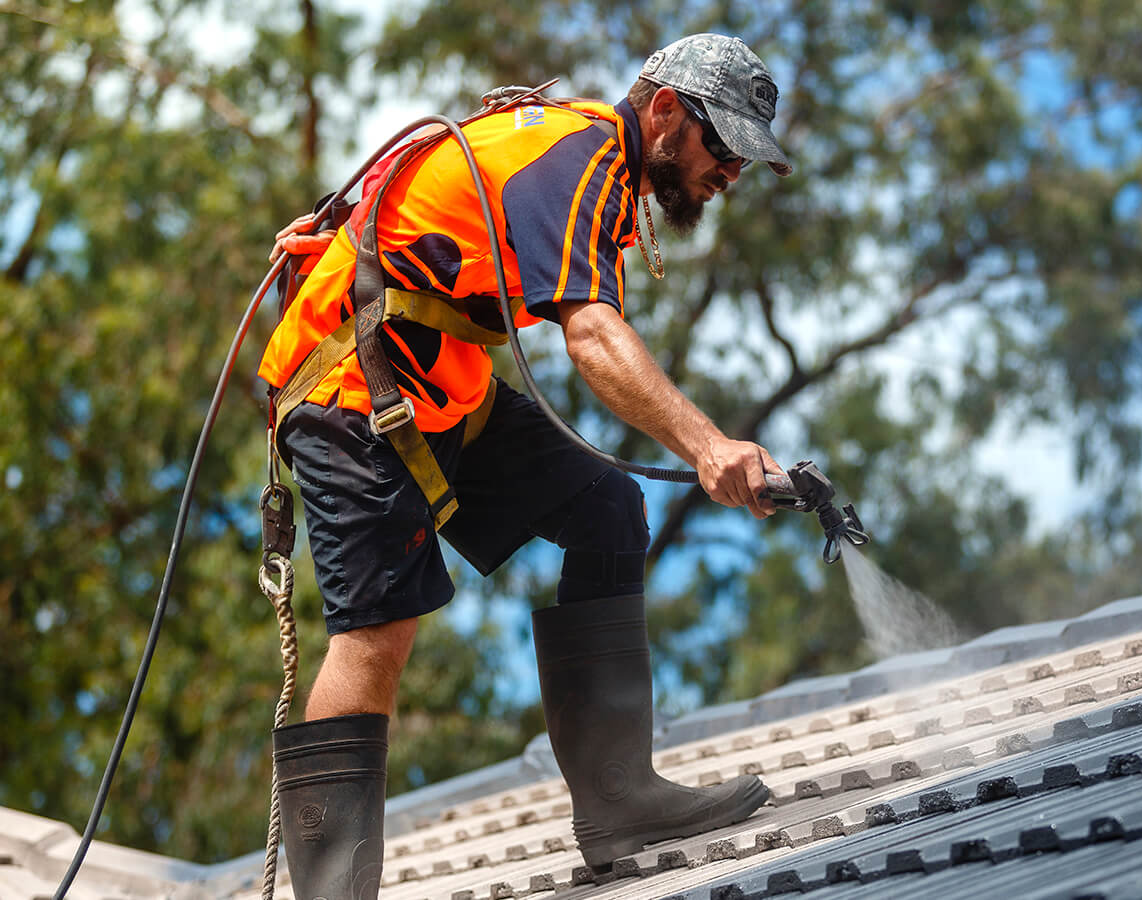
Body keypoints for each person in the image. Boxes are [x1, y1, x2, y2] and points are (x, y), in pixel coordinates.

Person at [257, 34, 793, 899]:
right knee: (377, 628)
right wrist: (709, 447)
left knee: (606, 507)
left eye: (741, 160)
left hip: (439, 389)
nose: (729, 172)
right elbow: (591, 334)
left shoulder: (595, 169)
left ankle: (619, 801)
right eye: (721, 145)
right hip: (350, 389)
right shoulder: (580, 154)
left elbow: (431, 182)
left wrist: (336, 215)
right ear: (663, 109)